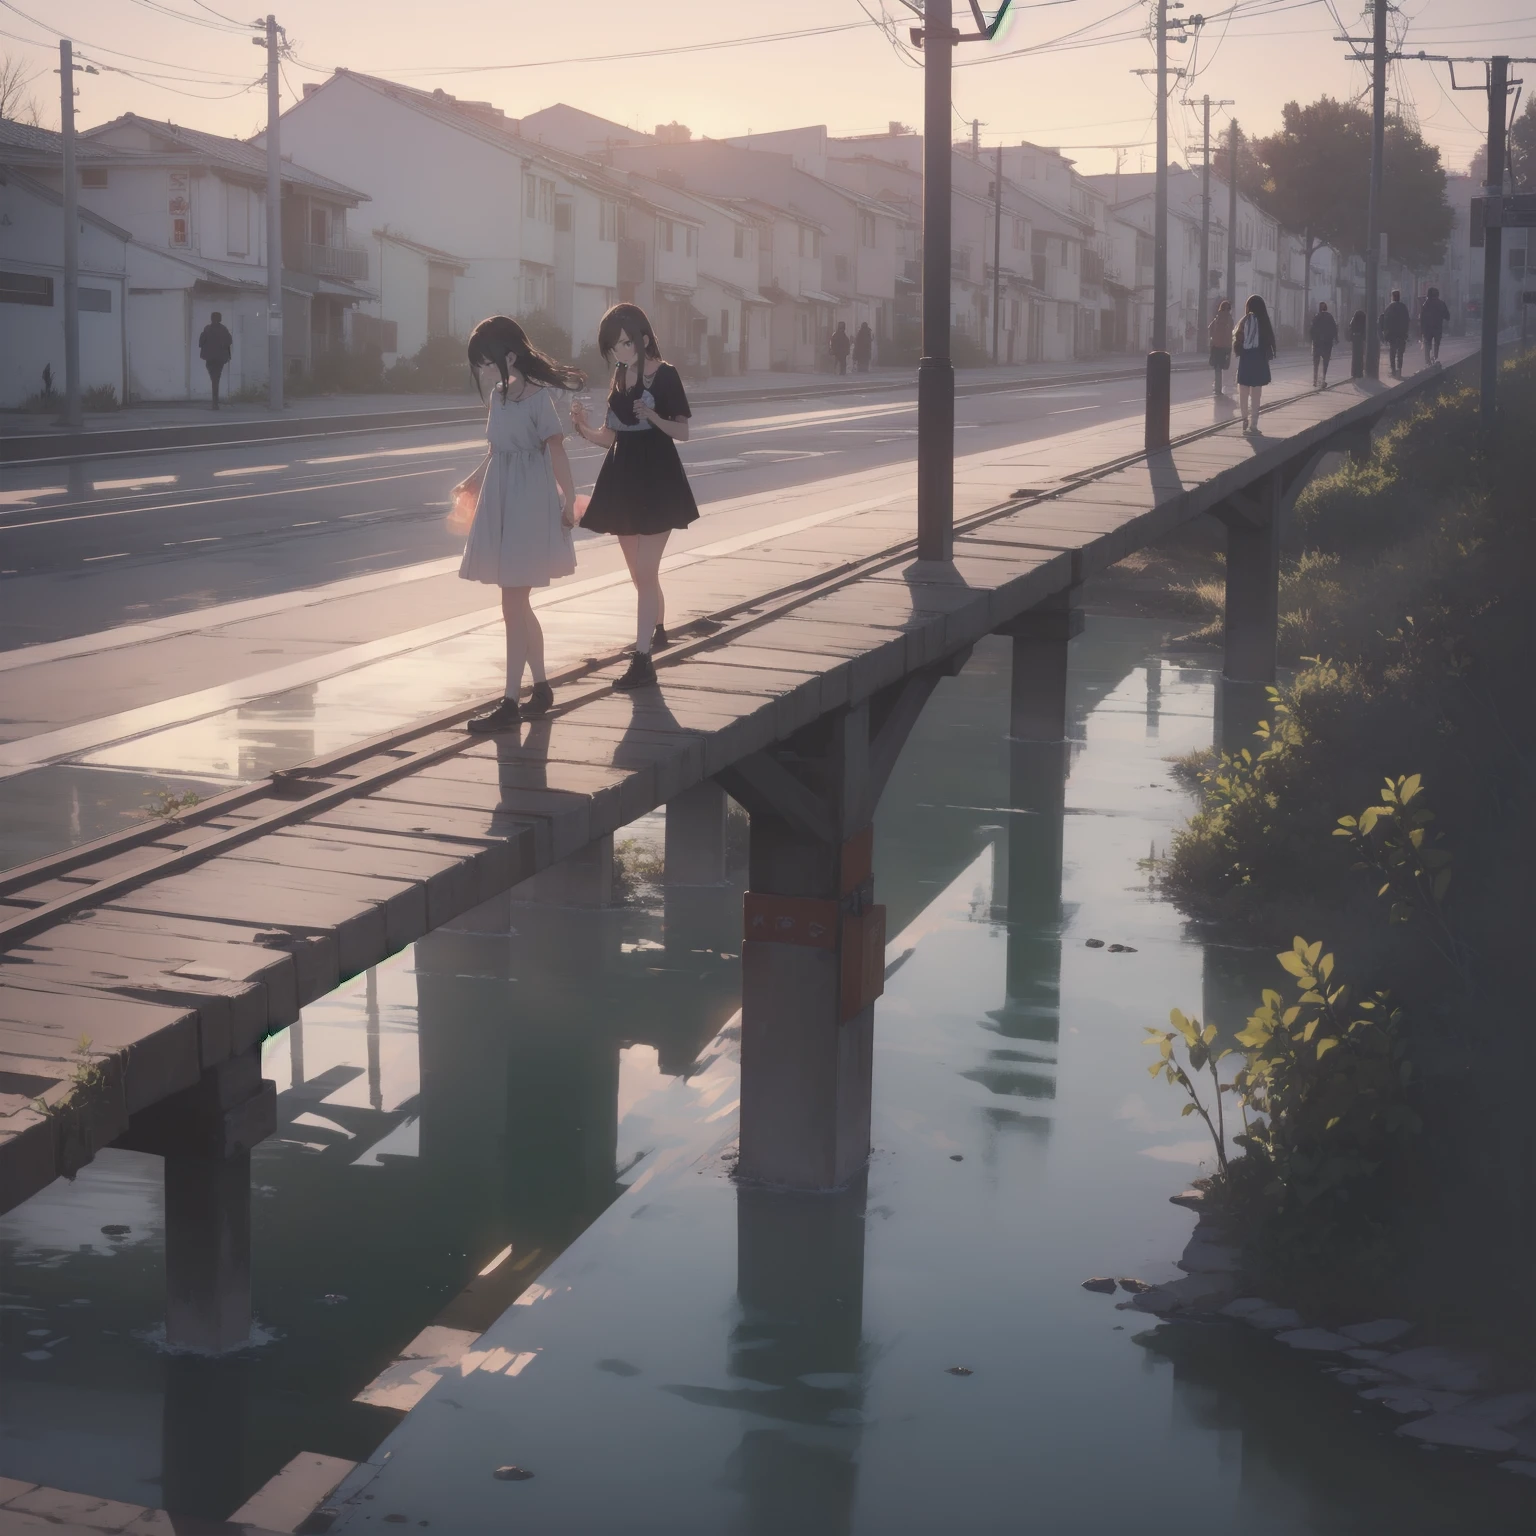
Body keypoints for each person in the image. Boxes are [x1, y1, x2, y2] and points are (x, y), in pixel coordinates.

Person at [452, 316, 582, 734]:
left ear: (509, 355)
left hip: (529, 501)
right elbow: (495, 450)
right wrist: (473, 480)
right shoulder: (499, 397)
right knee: (518, 605)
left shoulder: (538, 400)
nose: (485, 371)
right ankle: (540, 688)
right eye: (481, 365)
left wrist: (570, 500)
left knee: (513, 603)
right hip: (502, 496)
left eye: (488, 362)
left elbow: (557, 450)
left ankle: (511, 700)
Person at [570, 303, 700, 692]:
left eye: (626, 343)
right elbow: (610, 437)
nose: (621, 352)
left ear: (643, 338)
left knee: (645, 573)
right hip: (622, 479)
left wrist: (653, 417)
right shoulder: (620, 375)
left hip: (658, 479)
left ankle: (642, 660)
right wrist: (581, 427)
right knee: (639, 574)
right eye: (614, 347)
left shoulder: (667, 376)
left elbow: (683, 432)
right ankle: (657, 630)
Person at [1232, 293, 1276, 434]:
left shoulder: (1244, 321)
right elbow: (1269, 340)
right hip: (1259, 359)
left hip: (1246, 358)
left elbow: (1237, 339)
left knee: (1243, 391)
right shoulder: (1264, 322)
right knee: (1256, 394)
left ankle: (1244, 418)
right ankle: (1254, 424)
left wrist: (1239, 350)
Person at [198, 311, 233, 410]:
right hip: (220, 358)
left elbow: (201, 343)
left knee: (214, 379)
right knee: (216, 379)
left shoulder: (207, 329)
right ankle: (215, 402)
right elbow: (229, 342)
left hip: (209, 358)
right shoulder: (224, 329)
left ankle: (215, 402)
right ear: (220, 319)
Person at [1381, 289, 1411, 378]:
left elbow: (1385, 321)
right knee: (1400, 353)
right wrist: (1406, 332)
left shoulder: (1389, 307)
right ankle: (1399, 370)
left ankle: (1393, 370)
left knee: (1392, 353)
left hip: (1392, 334)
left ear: (1392, 297)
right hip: (1401, 333)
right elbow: (1407, 320)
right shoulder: (1403, 307)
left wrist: (1385, 333)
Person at [1309, 301, 1338, 388]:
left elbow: (1311, 329)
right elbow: (1334, 329)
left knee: (1316, 362)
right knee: (1325, 363)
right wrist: (1336, 339)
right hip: (1327, 343)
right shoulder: (1330, 317)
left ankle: (1315, 380)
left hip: (1317, 343)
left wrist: (1312, 339)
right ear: (1326, 308)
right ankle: (1323, 380)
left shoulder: (1316, 317)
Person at [1208, 299, 1233, 397]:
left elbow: (1209, 329)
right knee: (1224, 367)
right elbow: (1232, 331)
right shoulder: (1229, 319)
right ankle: (1220, 387)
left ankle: (1217, 388)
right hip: (1226, 347)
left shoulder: (1217, 318)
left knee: (1217, 368)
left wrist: (1213, 340)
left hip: (1216, 346)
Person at [1419, 286, 1450, 365]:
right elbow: (1447, 316)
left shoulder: (1425, 304)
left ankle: (1427, 360)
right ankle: (1435, 358)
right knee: (1436, 344)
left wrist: (1421, 329)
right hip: (1437, 328)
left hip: (1427, 329)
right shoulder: (1441, 303)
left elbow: (1421, 318)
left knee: (1427, 344)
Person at [1350, 309, 1367, 379]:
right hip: (1360, 339)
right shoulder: (1363, 321)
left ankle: (1354, 372)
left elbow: (1350, 329)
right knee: (1360, 356)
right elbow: (1365, 330)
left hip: (1355, 339)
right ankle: (1359, 373)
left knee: (1354, 356)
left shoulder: (1353, 321)